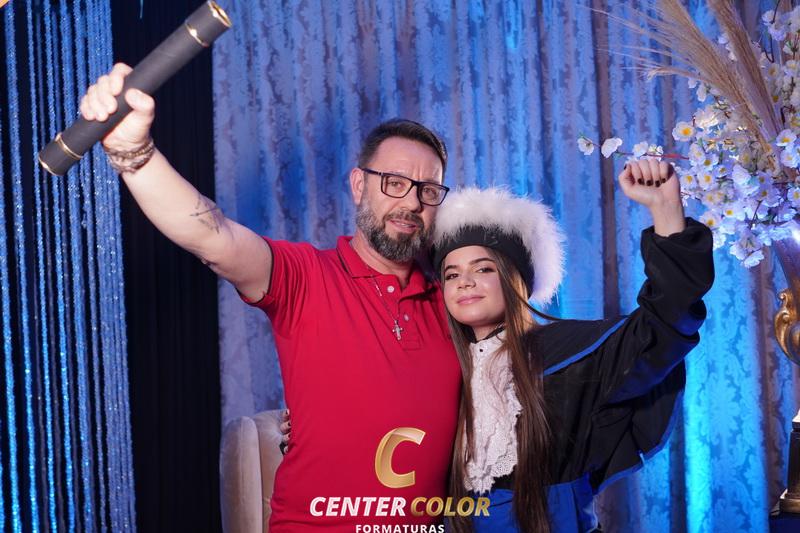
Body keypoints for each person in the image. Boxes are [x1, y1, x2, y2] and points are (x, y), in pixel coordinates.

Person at [80, 64, 461, 531]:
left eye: (428, 190)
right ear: (359, 185)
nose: (412, 203)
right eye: (395, 183)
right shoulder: (307, 277)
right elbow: (214, 237)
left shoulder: (453, 302)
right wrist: (133, 153)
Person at [430, 161, 714, 532]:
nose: (464, 282)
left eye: (484, 268)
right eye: (452, 274)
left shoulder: (568, 355)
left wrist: (666, 210)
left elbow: (665, 322)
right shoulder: (438, 370)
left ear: (517, 280)